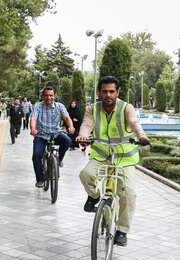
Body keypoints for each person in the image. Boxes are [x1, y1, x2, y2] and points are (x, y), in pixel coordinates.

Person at [76, 76, 149, 247]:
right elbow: (87, 124)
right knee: (85, 175)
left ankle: (122, 230)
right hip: (101, 155)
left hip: (125, 158)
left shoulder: (126, 108)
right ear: (99, 93)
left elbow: (134, 123)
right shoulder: (92, 109)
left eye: (111, 91)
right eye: (104, 91)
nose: (108, 95)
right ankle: (94, 197)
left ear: (117, 92)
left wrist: (141, 135)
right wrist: (83, 136)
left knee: (128, 193)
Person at [30, 86, 74, 188]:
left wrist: (71, 126)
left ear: (54, 96)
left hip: (55, 134)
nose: (48, 98)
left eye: (51, 95)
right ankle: (40, 179)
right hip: (41, 135)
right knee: (36, 155)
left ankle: (58, 160)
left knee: (67, 141)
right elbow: (33, 118)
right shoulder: (38, 107)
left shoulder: (60, 106)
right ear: (43, 96)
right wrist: (33, 129)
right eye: (46, 95)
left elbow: (67, 117)